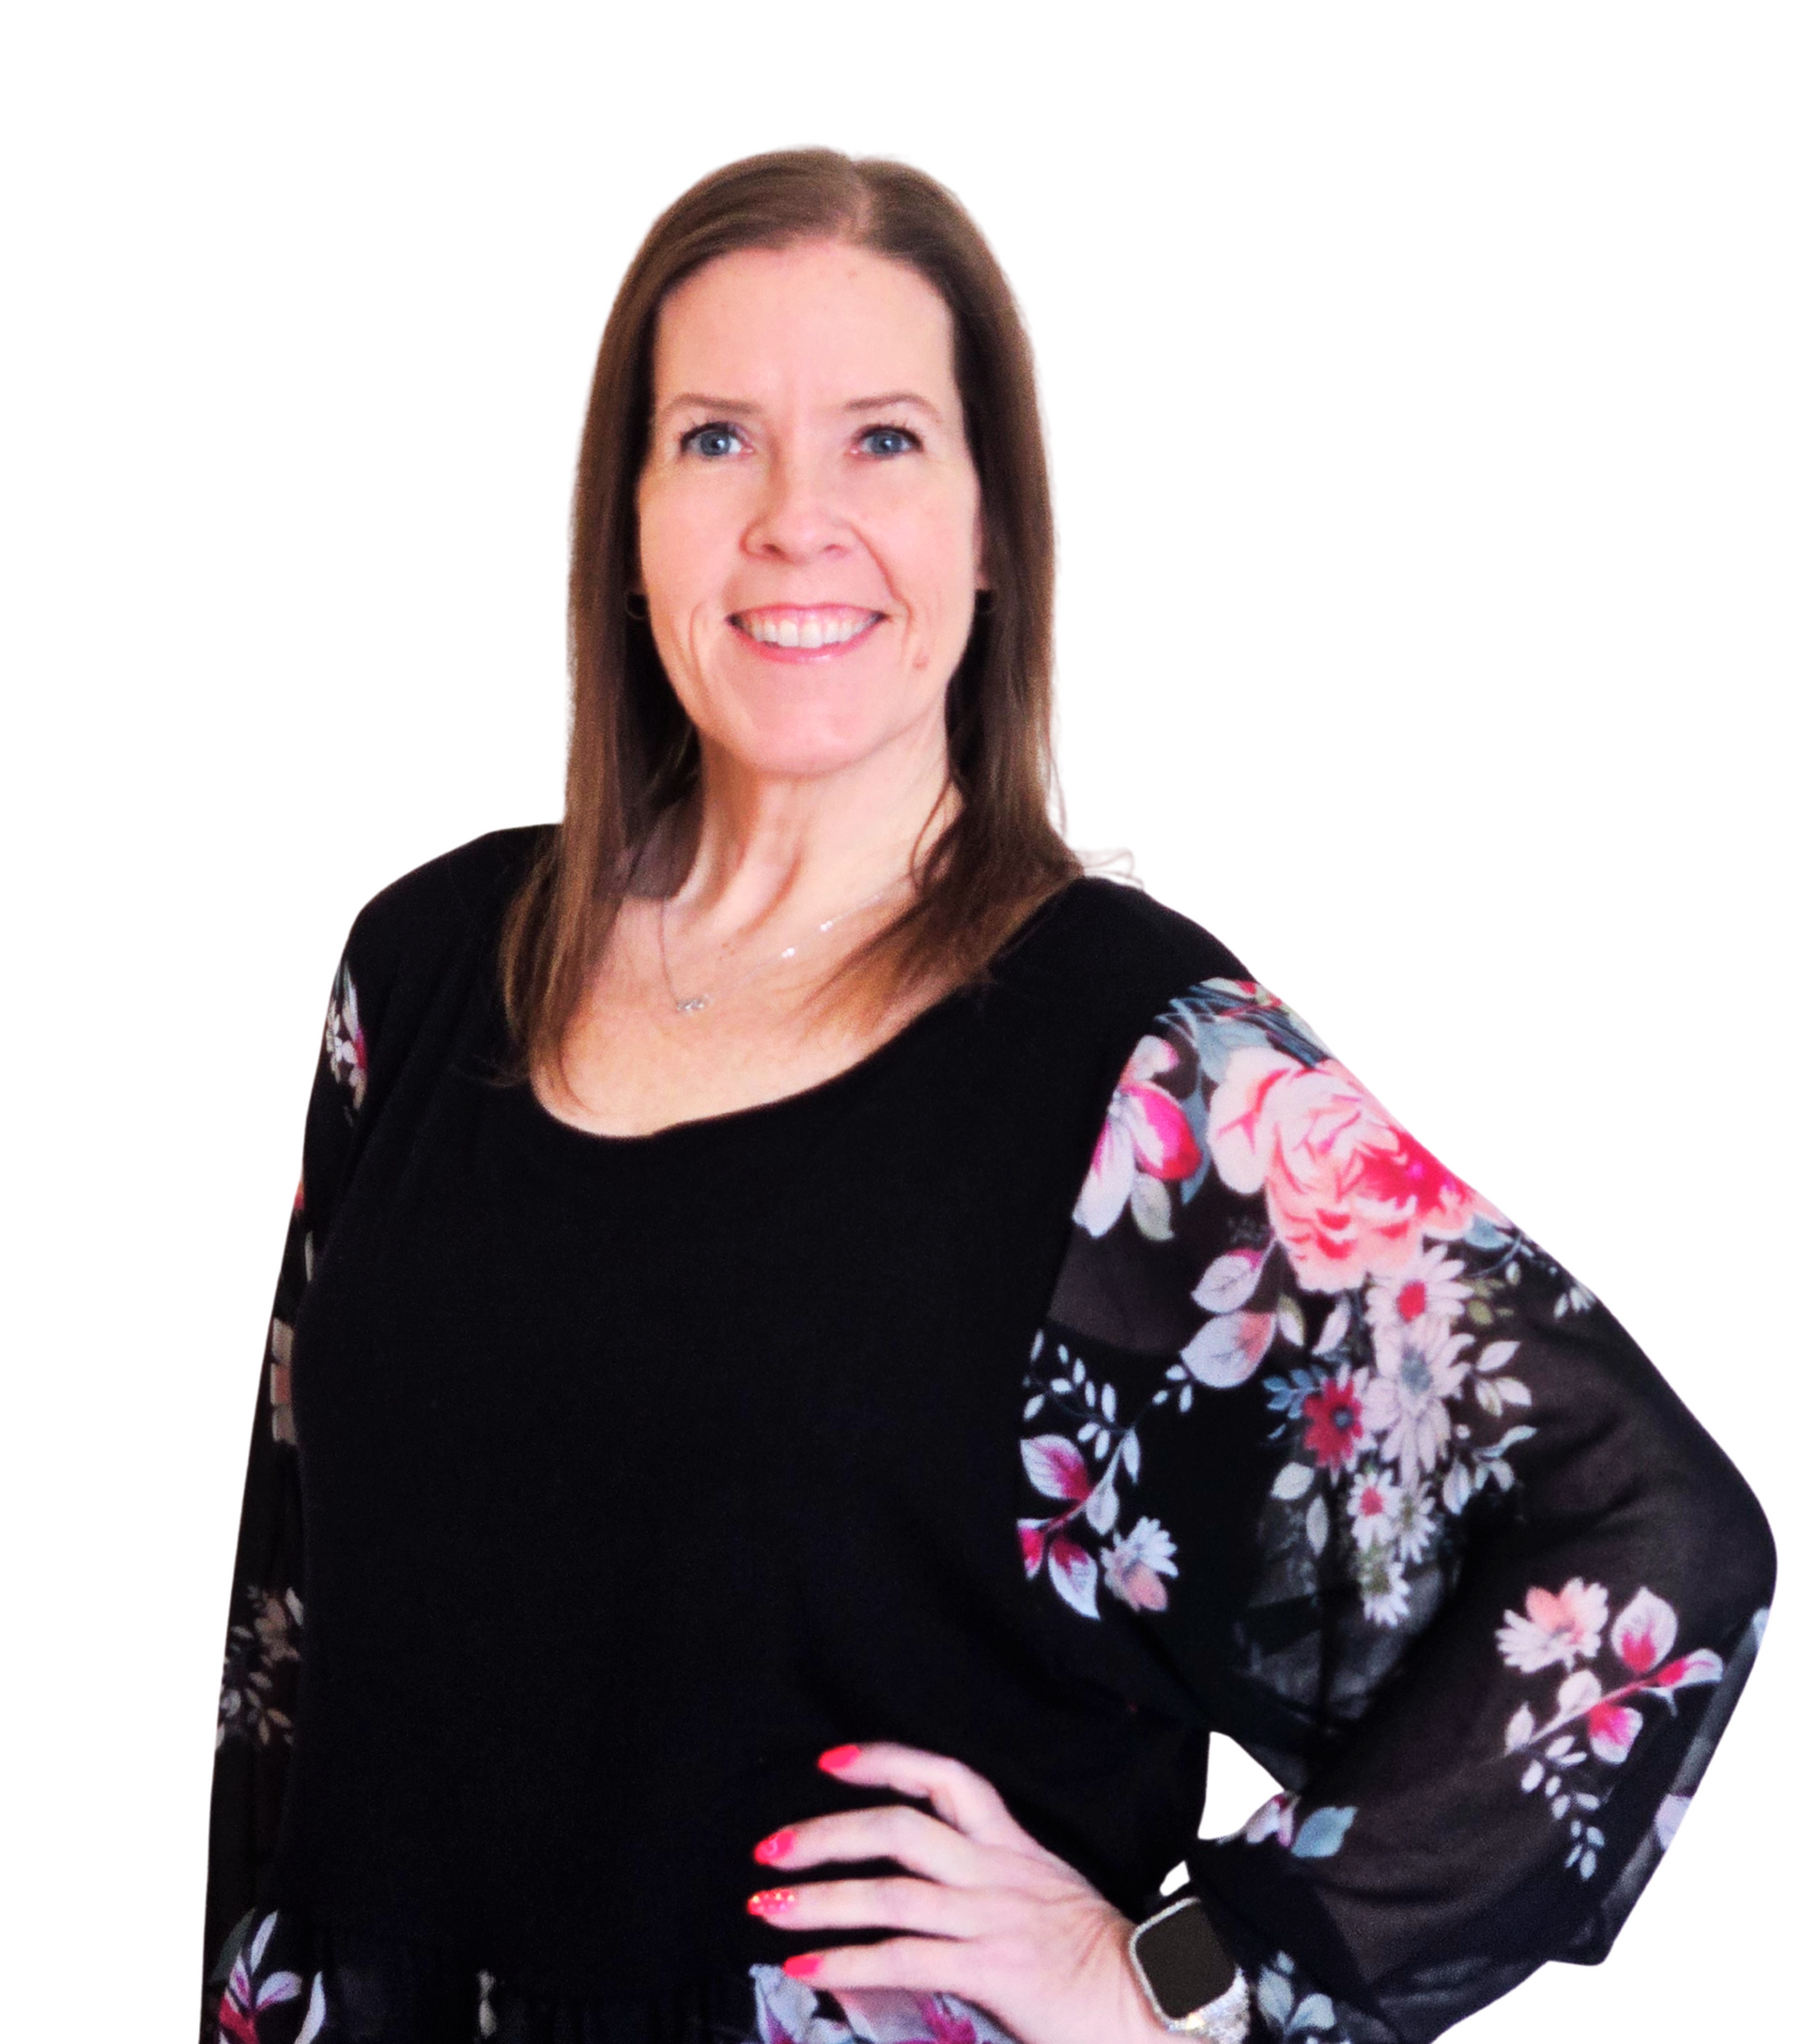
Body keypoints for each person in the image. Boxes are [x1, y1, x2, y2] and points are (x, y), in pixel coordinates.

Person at [201, 148, 1775, 2044]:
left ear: (993, 529)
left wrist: (1183, 1969)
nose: (797, 519)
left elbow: (1651, 1546)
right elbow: (290, 1674)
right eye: (715, 439)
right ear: (625, 522)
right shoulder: (432, 967)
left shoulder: (1130, 1065)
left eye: (882, 440)